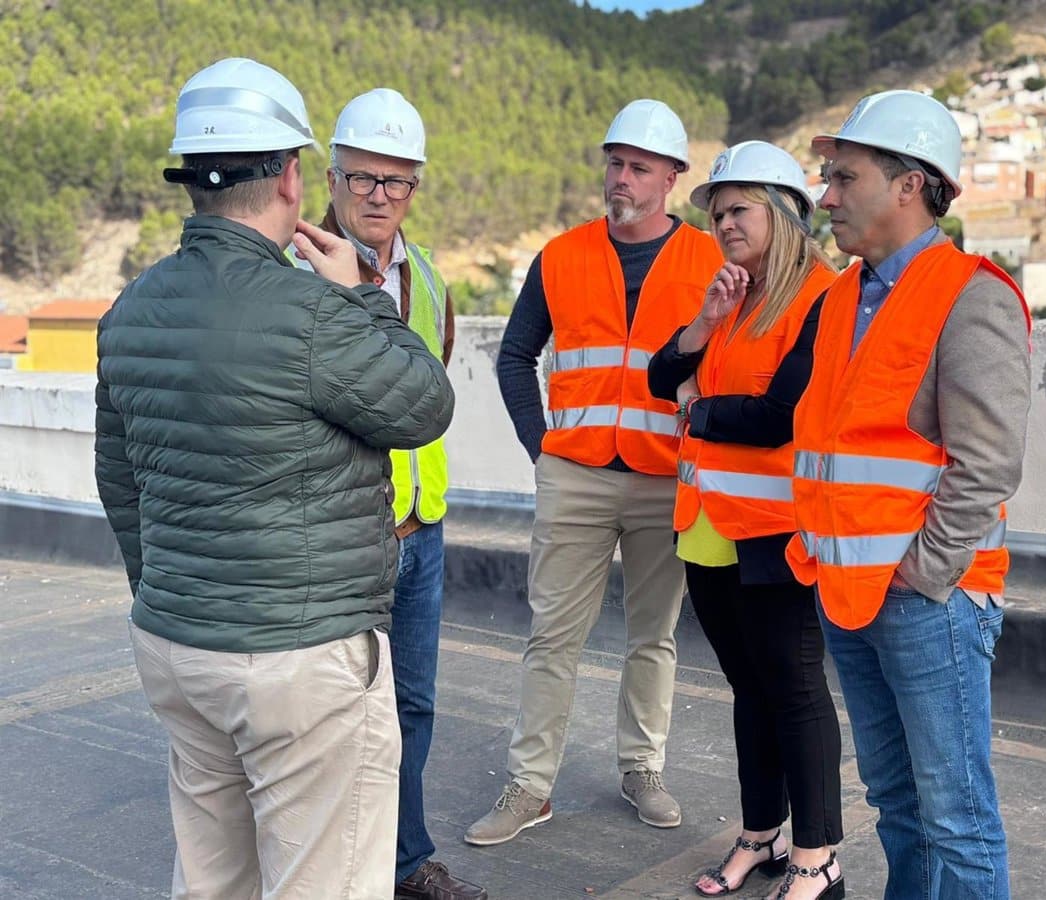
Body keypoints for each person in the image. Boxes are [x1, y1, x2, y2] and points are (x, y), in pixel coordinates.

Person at [94, 58, 455, 900]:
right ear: (296, 176)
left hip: (178, 646)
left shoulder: (132, 307)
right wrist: (365, 296)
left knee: (213, 876)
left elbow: (121, 485)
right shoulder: (317, 310)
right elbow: (423, 407)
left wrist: (177, 598)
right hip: (300, 658)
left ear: (192, 181)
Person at [790, 90, 1031, 899]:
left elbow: (988, 463)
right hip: (846, 591)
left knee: (956, 814)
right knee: (896, 802)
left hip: (931, 600)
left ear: (908, 184)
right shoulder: (835, 302)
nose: (826, 196)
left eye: (843, 177)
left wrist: (921, 575)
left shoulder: (972, 294)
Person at [466, 99, 724, 846]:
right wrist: (539, 447)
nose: (621, 177)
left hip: (664, 475)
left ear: (672, 177)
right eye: (615, 162)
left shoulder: (711, 259)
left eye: (639, 166)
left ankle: (642, 767)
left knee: (655, 635)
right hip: (574, 473)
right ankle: (530, 786)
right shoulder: (562, 255)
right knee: (553, 637)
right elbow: (515, 355)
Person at [647, 141, 845, 900]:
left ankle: (816, 856)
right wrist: (704, 321)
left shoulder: (821, 298)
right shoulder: (733, 296)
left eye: (739, 209)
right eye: (718, 212)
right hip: (706, 525)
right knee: (749, 689)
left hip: (775, 531)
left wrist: (695, 408)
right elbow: (660, 374)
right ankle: (761, 836)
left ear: (786, 213)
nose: (724, 223)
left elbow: (778, 416)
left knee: (794, 690)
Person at [300, 88, 483, 900]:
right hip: (340, 532)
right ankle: (334, 871)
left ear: (415, 188)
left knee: (412, 707)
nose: (379, 196)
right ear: (330, 178)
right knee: (329, 718)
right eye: (363, 179)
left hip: (422, 531)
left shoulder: (433, 284)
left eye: (396, 182)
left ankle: (407, 864)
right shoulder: (294, 271)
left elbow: (427, 394)